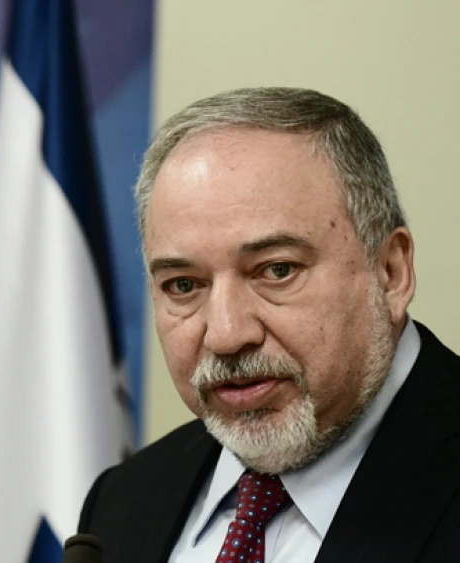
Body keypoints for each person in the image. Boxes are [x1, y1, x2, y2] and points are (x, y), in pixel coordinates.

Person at [77, 87, 460, 562]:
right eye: (182, 285)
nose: (226, 334)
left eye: (276, 270)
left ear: (390, 273)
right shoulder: (121, 500)